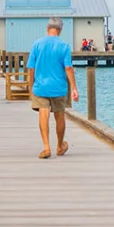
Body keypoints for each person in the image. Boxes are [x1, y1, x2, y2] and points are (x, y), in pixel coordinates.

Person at [27, 17, 78, 159]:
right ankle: (60, 145)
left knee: (43, 114)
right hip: (59, 87)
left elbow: (31, 68)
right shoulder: (64, 46)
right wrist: (74, 88)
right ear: (60, 30)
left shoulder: (37, 44)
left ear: (47, 28)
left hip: (40, 86)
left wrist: (31, 86)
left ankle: (46, 147)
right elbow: (68, 67)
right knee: (59, 115)